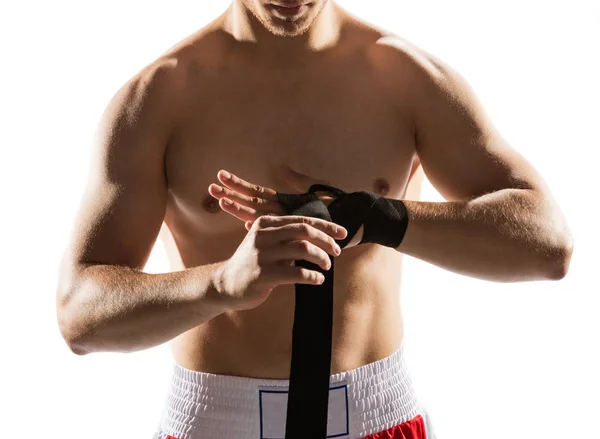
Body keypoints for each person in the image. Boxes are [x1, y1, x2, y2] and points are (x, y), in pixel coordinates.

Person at [55, 1, 574, 438]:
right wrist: (220, 284)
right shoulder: (157, 99)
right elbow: (79, 315)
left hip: (379, 418)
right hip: (215, 422)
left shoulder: (405, 79)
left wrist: (375, 216)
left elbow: (549, 245)